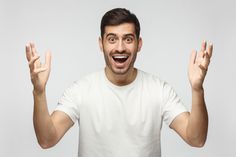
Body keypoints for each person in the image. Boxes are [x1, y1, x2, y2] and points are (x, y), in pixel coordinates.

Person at [25, 8, 212, 157]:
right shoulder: (81, 90)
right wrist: (39, 93)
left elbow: (196, 138)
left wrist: (197, 89)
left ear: (139, 44)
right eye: (112, 39)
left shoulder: (158, 90)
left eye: (128, 39)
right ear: (101, 44)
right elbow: (47, 140)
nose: (120, 47)